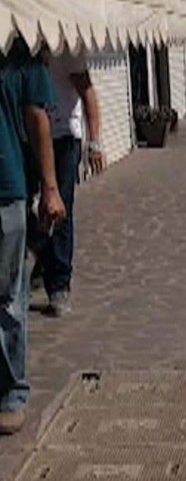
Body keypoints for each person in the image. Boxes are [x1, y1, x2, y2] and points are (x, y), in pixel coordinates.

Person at [1, 36, 66, 435]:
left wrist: (51, 187)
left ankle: (10, 393)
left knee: (8, 296)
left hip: (6, 187)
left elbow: (38, 117)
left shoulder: (18, 49)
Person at [31, 46, 104, 317]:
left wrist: (95, 143)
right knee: (29, 206)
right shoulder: (25, 47)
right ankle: (41, 257)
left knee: (61, 210)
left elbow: (88, 94)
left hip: (63, 138)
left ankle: (59, 284)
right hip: (32, 136)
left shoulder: (67, 51)